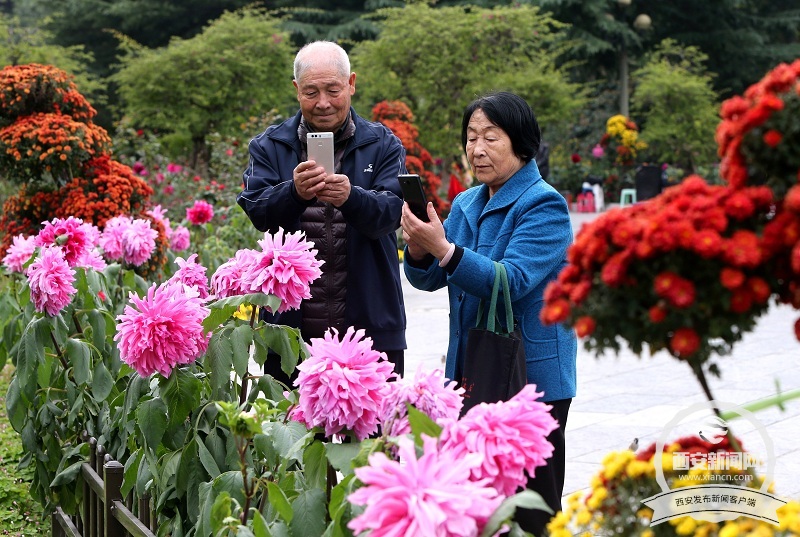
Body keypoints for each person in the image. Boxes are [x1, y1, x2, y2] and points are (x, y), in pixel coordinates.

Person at [401, 91, 577, 536]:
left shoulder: (543, 204)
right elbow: (431, 280)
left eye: (490, 138)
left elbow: (510, 280)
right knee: (476, 500)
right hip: (472, 368)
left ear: (520, 143)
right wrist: (421, 250)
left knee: (531, 505)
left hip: (531, 379)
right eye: (471, 137)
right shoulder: (467, 203)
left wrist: (444, 248)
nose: (476, 149)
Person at [237, 41, 408, 379]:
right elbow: (257, 210)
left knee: (372, 432)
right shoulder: (270, 145)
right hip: (291, 336)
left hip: (370, 327)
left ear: (351, 84)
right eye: (311, 92)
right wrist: (294, 193)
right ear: (297, 89)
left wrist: (351, 197)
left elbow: (391, 213)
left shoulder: (383, 143)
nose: (324, 103)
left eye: (333, 89)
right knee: (293, 429)